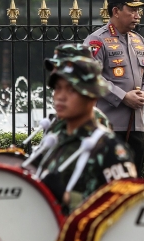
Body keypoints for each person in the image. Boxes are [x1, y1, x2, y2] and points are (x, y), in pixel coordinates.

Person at [36, 57, 137, 214]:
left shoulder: (109, 148)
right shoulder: (57, 139)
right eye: (58, 88)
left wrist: (67, 197)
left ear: (92, 96)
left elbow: (123, 209)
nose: (60, 96)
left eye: (71, 90)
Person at [83, 0, 144, 176]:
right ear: (116, 11)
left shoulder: (138, 40)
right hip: (109, 127)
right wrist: (123, 97)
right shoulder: (97, 40)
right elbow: (90, 77)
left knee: (134, 180)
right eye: (132, 10)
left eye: (139, 11)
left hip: (136, 126)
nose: (137, 15)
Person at [44, 43, 112, 130]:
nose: (54, 71)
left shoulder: (98, 132)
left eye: (71, 90)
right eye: (58, 88)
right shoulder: (59, 122)